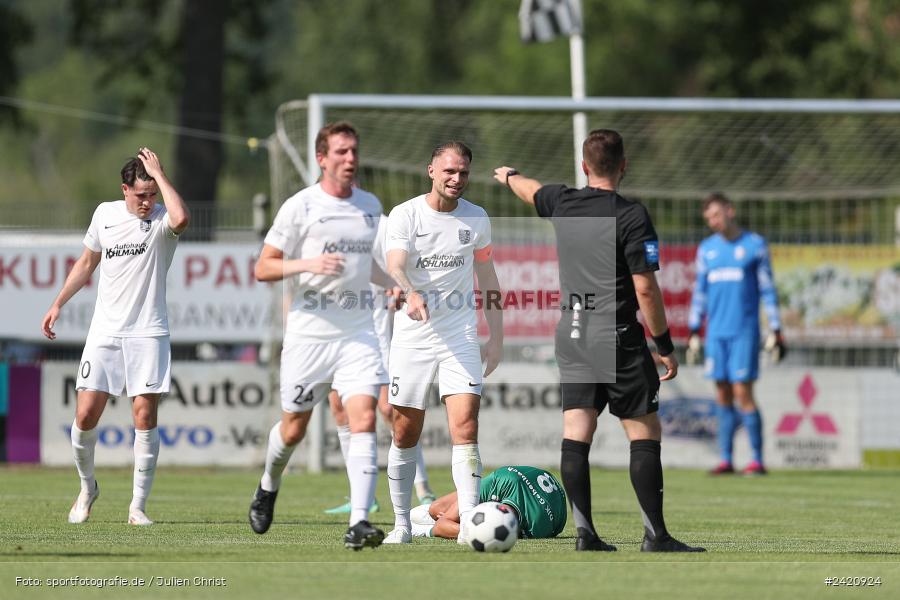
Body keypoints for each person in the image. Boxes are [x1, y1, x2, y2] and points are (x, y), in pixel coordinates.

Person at [494, 129, 705, 552]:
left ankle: (586, 534)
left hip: (572, 331)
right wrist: (664, 344)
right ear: (624, 166)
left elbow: (531, 190)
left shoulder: (564, 202)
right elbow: (645, 288)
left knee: (576, 433)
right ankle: (655, 536)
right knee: (643, 434)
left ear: (584, 167)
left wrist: (508, 175)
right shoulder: (630, 215)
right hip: (618, 335)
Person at [247, 121, 396, 550]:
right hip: (309, 335)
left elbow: (361, 265)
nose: (350, 159)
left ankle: (359, 521)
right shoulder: (301, 207)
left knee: (363, 417)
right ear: (322, 158)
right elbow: (264, 267)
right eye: (341, 152)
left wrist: (392, 283)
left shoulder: (369, 205)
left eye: (354, 151)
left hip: (357, 332)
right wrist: (306, 264)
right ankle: (268, 485)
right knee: (293, 430)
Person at [41, 148, 190, 526]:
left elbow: (182, 217)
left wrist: (159, 174)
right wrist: (58, 302)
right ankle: (88, 487)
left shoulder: (162, 219)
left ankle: (137, 507)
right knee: (86, 415)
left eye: (152, 193)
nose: (147, 202)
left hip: (148, 332)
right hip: (105, 333)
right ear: (124, 190)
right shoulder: (104, 215)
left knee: (144, 415)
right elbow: (87, 262)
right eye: (141, 194)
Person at [382, 141, 504, 544]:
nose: (456, 179)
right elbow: (395, 263)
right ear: (431, 170)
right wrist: (409, 291)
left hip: (460, 335)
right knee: (404, 432)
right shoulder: (406, 214)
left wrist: (497, 336)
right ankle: (401, 524)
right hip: (413, 338)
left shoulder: (477, 219)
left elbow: (487, 278)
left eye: (463, 172)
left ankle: (471, 524)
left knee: (466, 426)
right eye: (449, 171)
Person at [687, 192, 785, 476]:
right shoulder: (707, 249)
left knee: (743, 392)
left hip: (744, 332)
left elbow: (768, 289)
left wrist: (776, 329)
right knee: (721, 393)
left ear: (730, 211)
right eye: (708, 219)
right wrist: (694, 329)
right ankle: (726, 459)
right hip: (716, 333)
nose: (713, 222)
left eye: (716, 215)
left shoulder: (754, 246)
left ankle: (756, 459)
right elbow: (700, 292)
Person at [409, 466, 566, 541]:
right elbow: (441, 525)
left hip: (543, 497)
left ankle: (421, 530)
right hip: (509, 479)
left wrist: (479, 531)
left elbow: (439, 528)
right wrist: (451, 523)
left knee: (428, 520)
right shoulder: (498, 482)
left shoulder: (537, 528)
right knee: (434, 510)